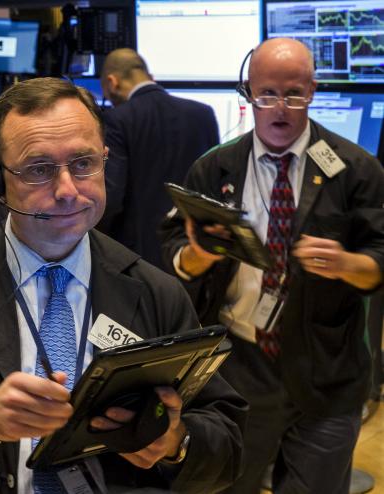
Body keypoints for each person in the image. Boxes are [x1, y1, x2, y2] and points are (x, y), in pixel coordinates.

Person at [0, 77, 247, 493]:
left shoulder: (157, 291)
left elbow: (227, 445)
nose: (68, 190)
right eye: (39, 169)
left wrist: (174, 441)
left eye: (84, 163)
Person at [159, 38, 384, 494]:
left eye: (294, 93)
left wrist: (347, 264)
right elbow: (172, 251)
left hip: (328, 368)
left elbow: (380, 257)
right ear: (247, 92)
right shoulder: (215, 169)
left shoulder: (356, 169)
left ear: (313, 91)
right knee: (224, 485)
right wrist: (199, 255)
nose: (280, 108)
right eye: (267, 94)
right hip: (238, 366)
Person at [97, 48, 219, 270]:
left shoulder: (117, 120)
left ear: (112, 82)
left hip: (137, 254)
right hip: (194, 252)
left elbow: (112, 196)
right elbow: (214, 186)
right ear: (149, 76)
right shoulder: (203, 113)